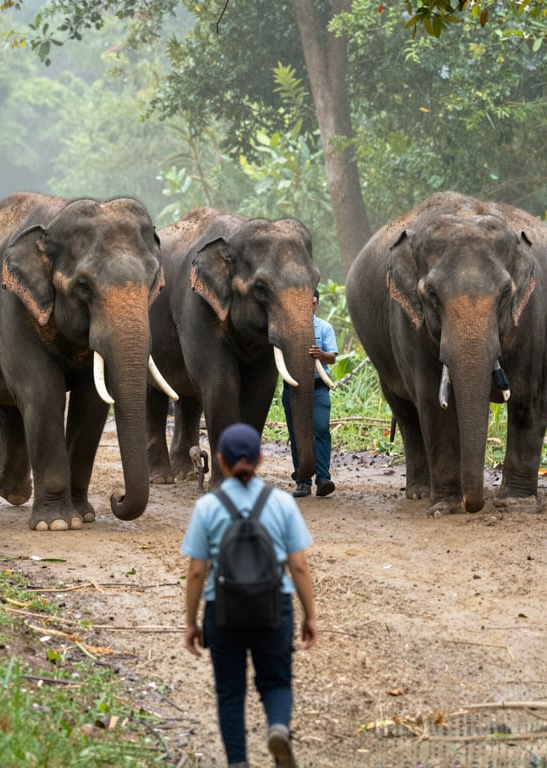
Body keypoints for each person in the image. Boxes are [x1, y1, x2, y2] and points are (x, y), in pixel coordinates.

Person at [182, 423, 317, 768]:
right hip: (274, 607)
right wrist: (310, 616)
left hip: (222, 610)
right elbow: (299, 566)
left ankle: (238, 763)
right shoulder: (282, 503)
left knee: (230, 692)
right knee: (276, 681)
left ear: (221, 461)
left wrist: (191, 622)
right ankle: (277, 727)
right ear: (260, 459)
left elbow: (197, 571)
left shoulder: (208, 507)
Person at [283, 289, 337, 498]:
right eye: (305, 304)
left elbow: (332, 357)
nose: (309, 307)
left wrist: (320, 354)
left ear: (317, 304)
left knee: (321, 429)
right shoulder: (287, 327)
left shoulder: (324, 328)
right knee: (296, 435)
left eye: (313, 303)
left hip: (318, 387)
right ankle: (302, 481)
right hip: (294, 387)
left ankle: (323, 478)